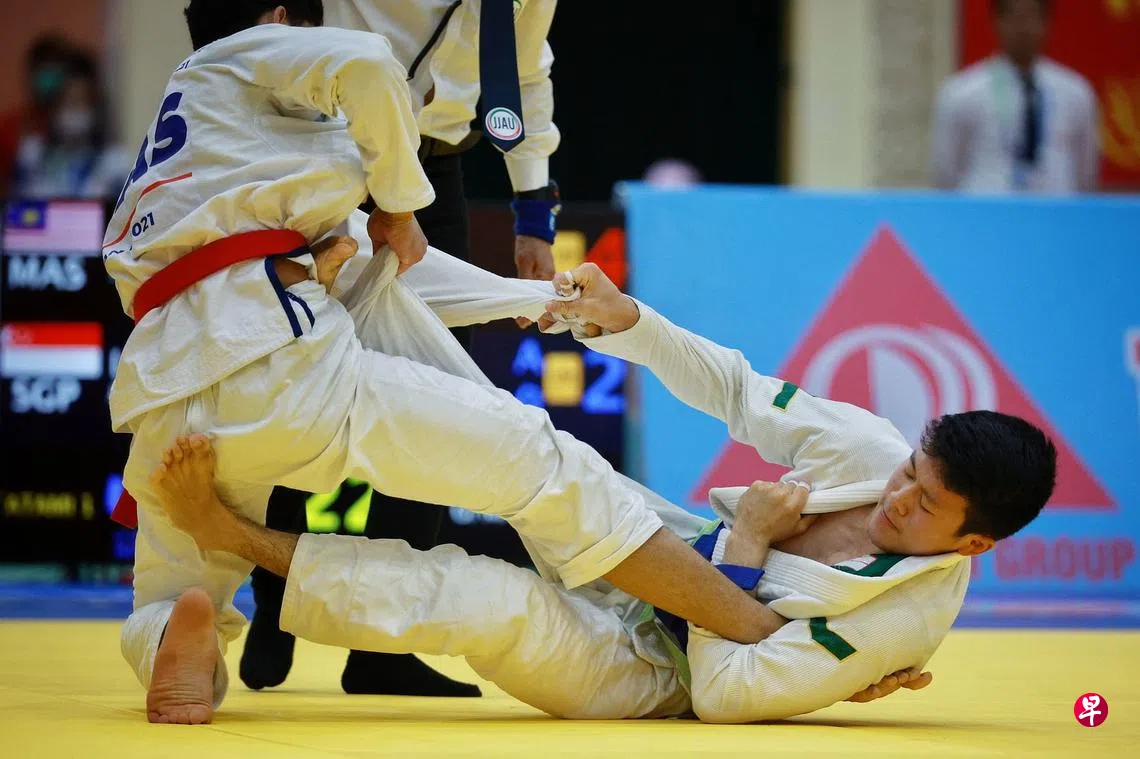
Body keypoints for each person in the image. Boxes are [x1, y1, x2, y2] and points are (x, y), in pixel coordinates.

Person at [105, 0, 780, 725]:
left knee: (170, 589)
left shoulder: (190, 142)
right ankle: (752, 628)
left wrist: (529, 297)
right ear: (277, 17)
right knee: (542, 462)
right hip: (281, 369)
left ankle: (174, 639)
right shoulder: (257, 53)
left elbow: (382, 270)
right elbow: (370, 64)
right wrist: (399, 204)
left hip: (163, 392)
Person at [145, 244, 1057, 723]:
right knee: (523, 444)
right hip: (668, 548)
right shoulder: (870, 447)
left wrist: (746, 546)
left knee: (483, 602)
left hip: (652, 672)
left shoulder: (899, 621)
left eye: (925, 504)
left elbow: (726, 695)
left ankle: (237, 539)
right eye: (910, 472)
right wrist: (629, 320)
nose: (898, 495)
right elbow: (738, 390)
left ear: (974, 542)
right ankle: (363, 295)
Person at [243, 0, 561, 698]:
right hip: (327, 152)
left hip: (436, 169)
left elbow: (526, 70)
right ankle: (275, 596)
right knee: (302, 379)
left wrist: (534, 210)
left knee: (436, 406)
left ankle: (382, 644)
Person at [930, 0, 1098, 193]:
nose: (1023, 27)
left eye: (1031, 16)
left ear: (1046, 22)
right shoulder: (962, 93)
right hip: (988, 205)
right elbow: (946, 171)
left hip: (1055, 204)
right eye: (1015, 17)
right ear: (997, 21)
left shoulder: (1075, 92)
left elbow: (1085, 171)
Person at [10, 52, 131, 202]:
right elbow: (14, 208)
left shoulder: (115, 162)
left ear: (95, 107)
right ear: (53, 106)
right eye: (67, 101)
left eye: (81, 101)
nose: (73, 109)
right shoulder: (31, 155)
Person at [0, 35, 73, 193]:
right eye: (44, 70)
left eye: (55, 70)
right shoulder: (9, 126)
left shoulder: (73, 125)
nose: (49, 79)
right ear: (30, 74)